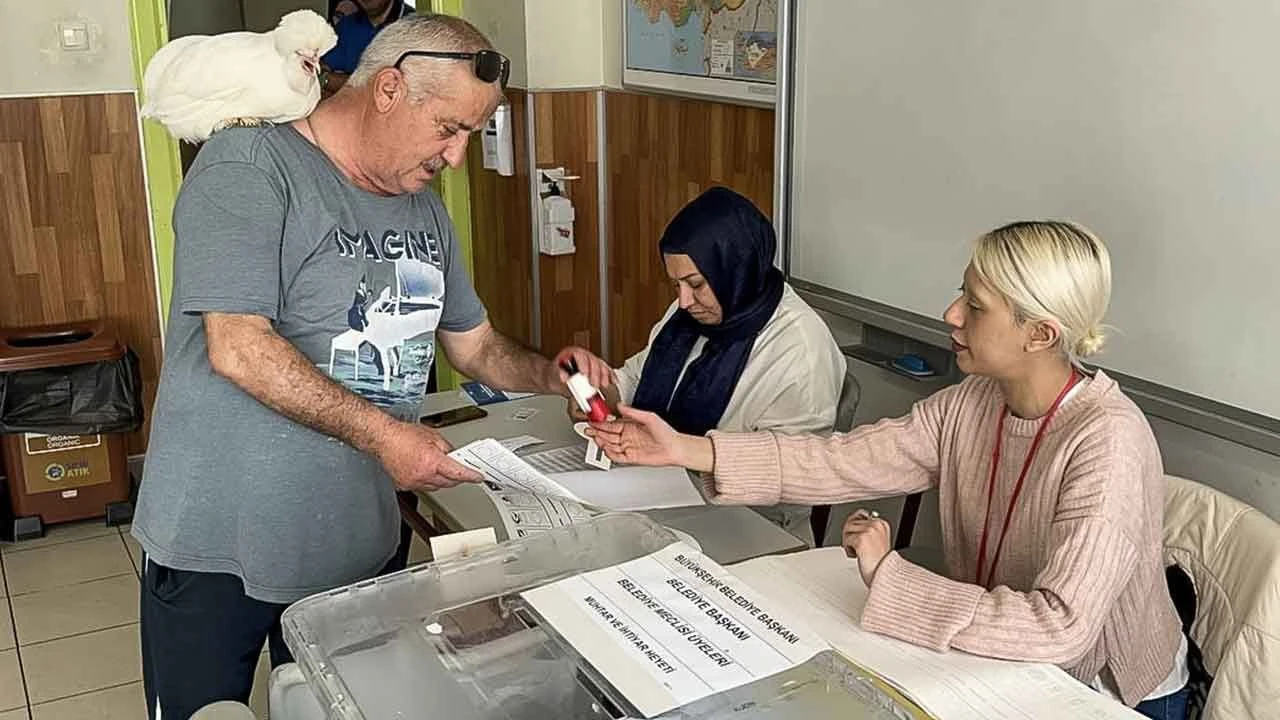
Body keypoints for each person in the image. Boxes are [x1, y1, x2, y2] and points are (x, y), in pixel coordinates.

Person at [132, 14, 612, 720]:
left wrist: (553, 374)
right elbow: (237, 345)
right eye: (448, 128)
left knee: (335, 710)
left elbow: (473, 346)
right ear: (388, 88)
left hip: (359, 547)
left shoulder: (425, 212)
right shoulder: (250, 167)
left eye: (470, 137)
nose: (455, 158)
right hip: (221, 546)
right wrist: (385, 436)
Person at [589, 221, 1190, 719]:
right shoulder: (972, 402)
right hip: (998, 661)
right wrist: (689, 450)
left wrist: (891, 577)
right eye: (962, 294)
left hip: (1102, 689)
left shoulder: (1107, 441)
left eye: (976, 307)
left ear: (1041, 334)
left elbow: (1059, 629)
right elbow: (844, 459)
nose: (951, 314)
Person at [571, 186, 845, 544]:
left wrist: (680, 451)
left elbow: (788, 480)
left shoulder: (800, 351)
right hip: (662, 499)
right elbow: (635, 378)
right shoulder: (692, 314)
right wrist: (594, 392)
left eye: (696, 284)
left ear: (736, 269)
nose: (683, 301)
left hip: (751, 527)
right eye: (677, 284)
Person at [320, 0, 412, 96]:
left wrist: (331, 81)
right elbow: (320, 72)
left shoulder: (414, 27)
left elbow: (392, 91)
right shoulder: (346, 25)